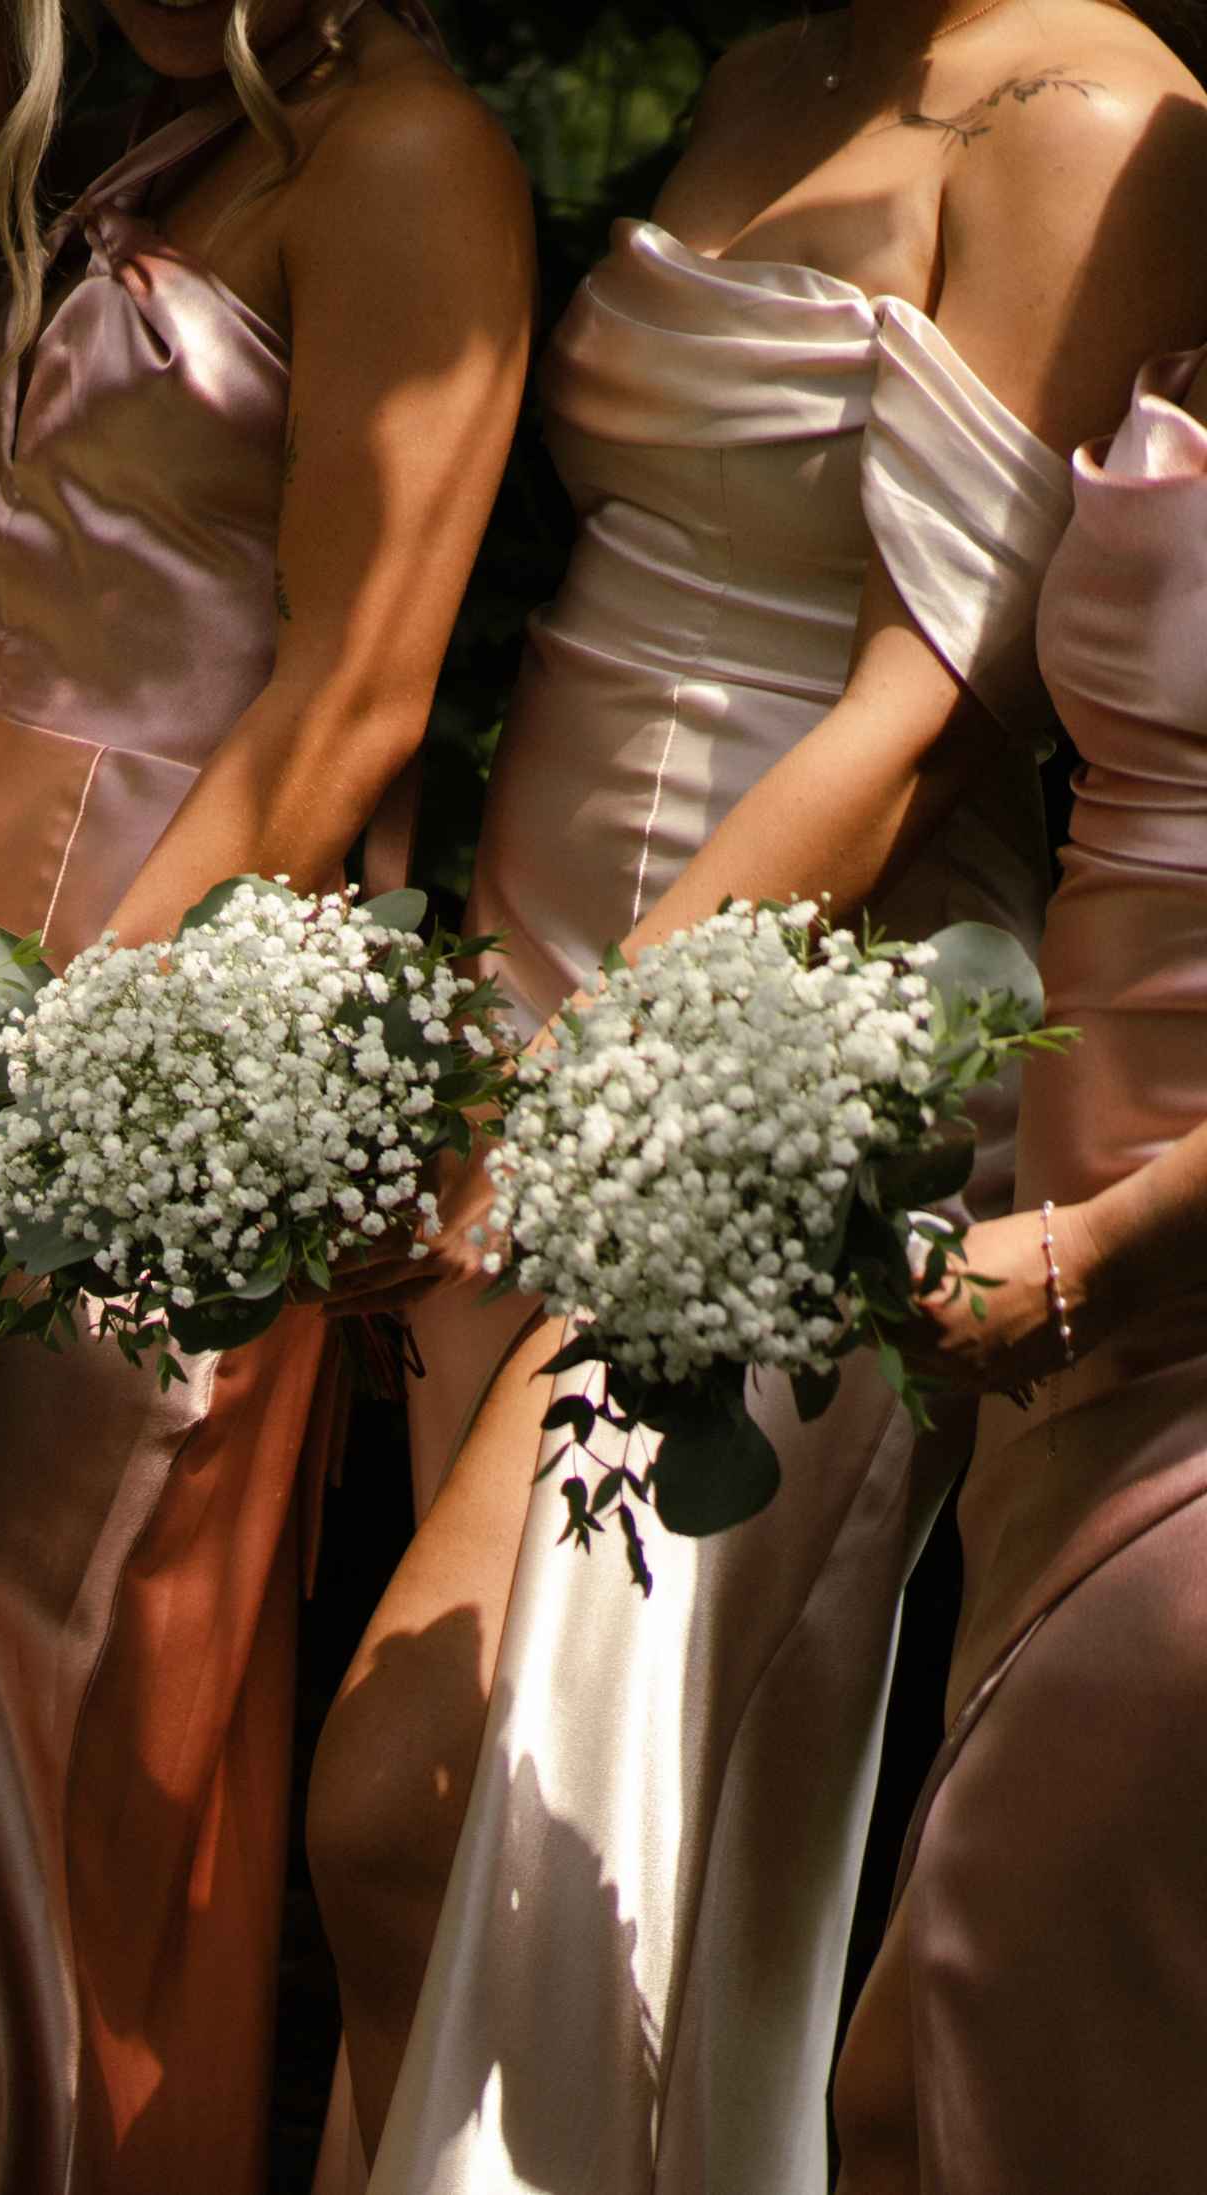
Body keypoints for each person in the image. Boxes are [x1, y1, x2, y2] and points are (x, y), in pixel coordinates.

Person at [309, 6, 1207, 2188]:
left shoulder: (1103, 119)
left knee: (437, 1794)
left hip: (816, 1016)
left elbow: (923, 712)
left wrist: (583, 1100)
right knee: (480, 1858)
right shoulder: (766, 63)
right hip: (540, 959)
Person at [0, 2, 530, 2187]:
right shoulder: (157, 146)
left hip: (154, 1055)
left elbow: (351, 704)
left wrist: (69, 1089)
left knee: (7, 1818)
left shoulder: (411, 164)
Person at [832, 344, 1207, 2190]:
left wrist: (1097, 1257)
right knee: (921, 2089)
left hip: (1153, 1279)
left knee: (1000, 2025)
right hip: (1065, 1332)